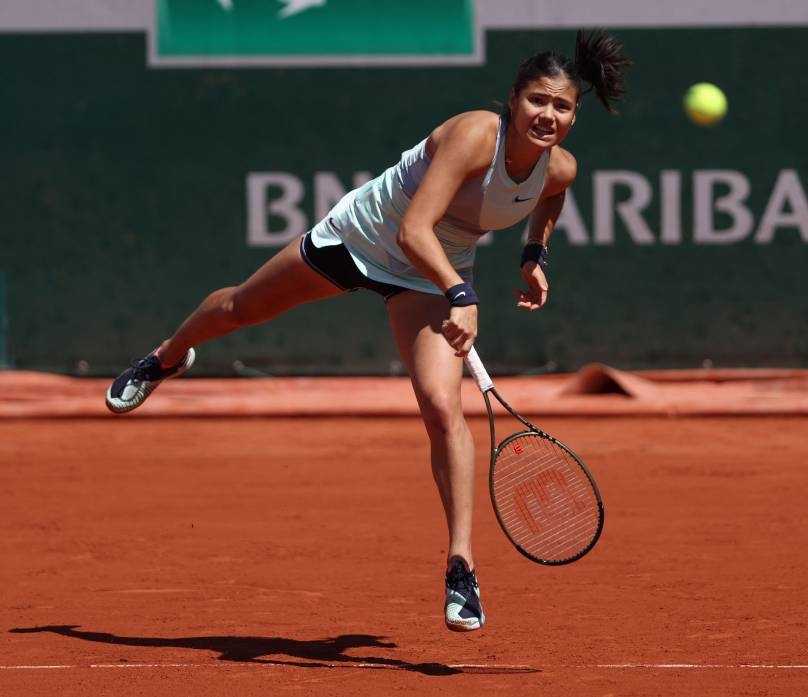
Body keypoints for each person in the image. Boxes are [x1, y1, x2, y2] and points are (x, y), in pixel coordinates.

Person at [105, 29, 631, 632]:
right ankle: (168, 356)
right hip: (362, 240)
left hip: (433, 275)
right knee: (241, 308)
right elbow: (413, 230)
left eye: (562, 106)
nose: (548, 114)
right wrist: (463, 295)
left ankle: (461, 569)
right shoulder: (472, 135)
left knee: (441, 406)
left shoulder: (559, 168)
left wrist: (533, 256)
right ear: (512, 100)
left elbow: (547, 201)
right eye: (537, 100)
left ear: (574, 115)